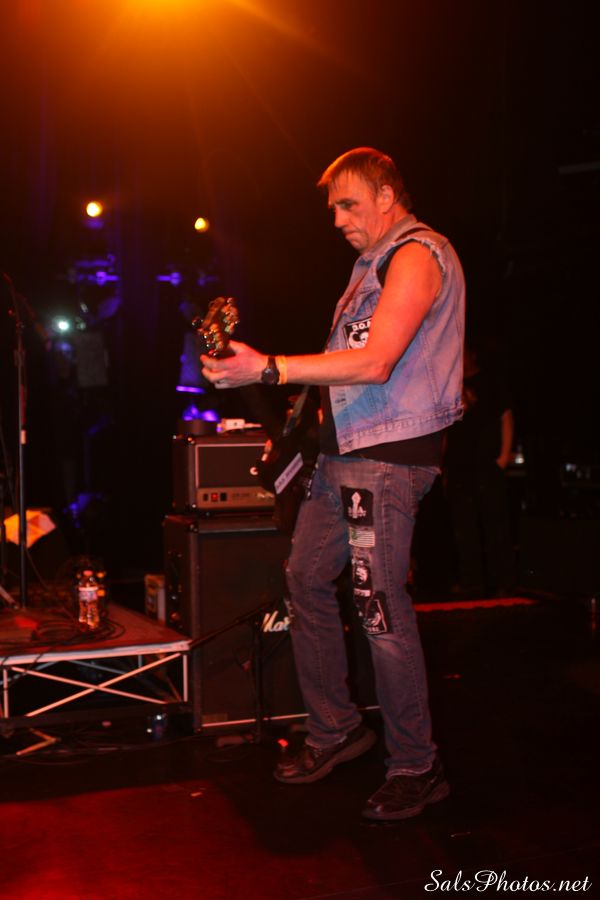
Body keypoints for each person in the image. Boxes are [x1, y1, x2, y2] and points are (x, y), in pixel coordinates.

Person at [201, 147, 465, 821]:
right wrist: (290, 415)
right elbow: (343, 370)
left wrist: (267, 368)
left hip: (388, 458)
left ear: (386, 194)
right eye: (334, 208)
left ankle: (417, 765)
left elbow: (375, 364)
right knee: (306, 579)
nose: (338, 219)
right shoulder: (366, 268)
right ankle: (337, 730)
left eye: (349, 204)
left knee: (378, 609)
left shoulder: (417, 254)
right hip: (343, 453)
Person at [444, 342, 516, 597]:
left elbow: (506, 416)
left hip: (486, 463)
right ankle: (471, 581)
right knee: (464, 526)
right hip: (459, 465)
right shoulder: (450, 384)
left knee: (495, 522)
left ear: (472, 355)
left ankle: (503, 581)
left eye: (463, 353)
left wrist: (504, 456)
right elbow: (445, 428)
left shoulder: (491, 382)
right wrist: (443, 464)